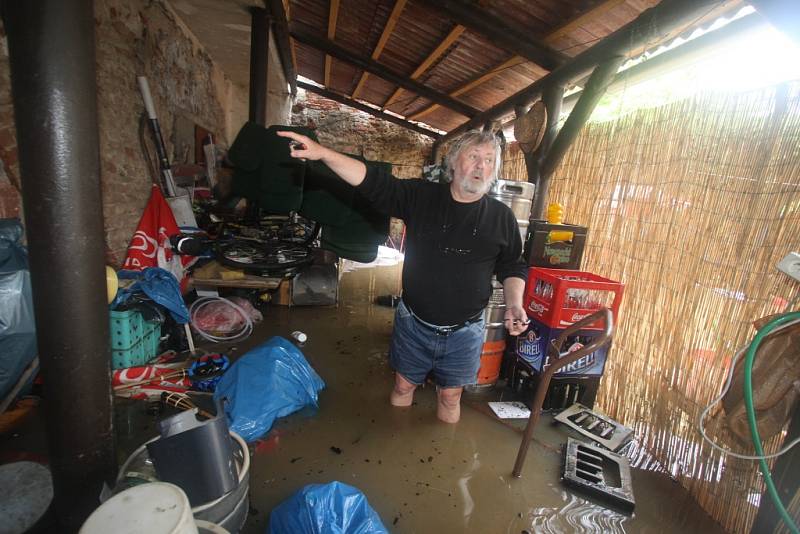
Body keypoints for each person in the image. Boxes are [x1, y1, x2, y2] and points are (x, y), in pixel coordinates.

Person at [277, 129, 529, 423]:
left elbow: (512, 265)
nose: (481, 166)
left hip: (466, 331)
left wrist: (514, 304)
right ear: (453, 162)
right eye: (474, 156)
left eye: (489, 160)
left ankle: (441, 460)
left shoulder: (501, 217)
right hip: (414, 324)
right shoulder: (421, 197)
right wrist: (323, 153)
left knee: (451, 396)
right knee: (403, 385)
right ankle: (394, 440)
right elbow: (373, 182)